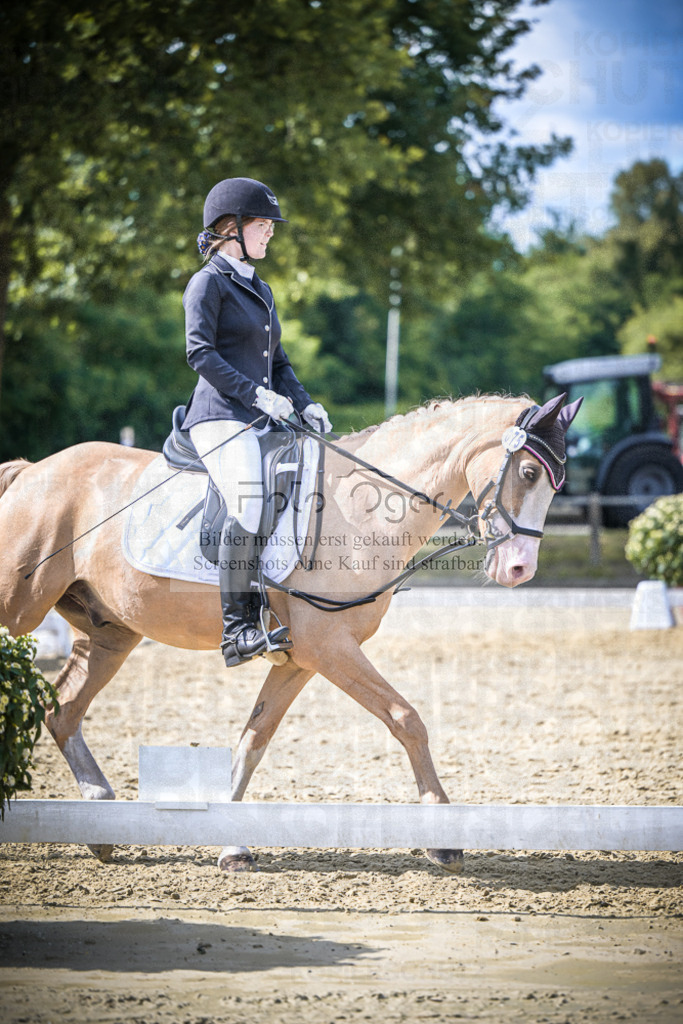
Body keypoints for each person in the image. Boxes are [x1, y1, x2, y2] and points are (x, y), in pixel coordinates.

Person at [181, 177, 332, 667]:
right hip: (220, 417)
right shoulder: (207, 283)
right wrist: (257, 396)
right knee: (248, 504)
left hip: (260, 417)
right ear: (233, 228)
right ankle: (237, 629)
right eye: (264, 225)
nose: (270, 235)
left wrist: (304, 402)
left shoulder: (259, 288)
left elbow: (280, 362)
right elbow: (199, 352)